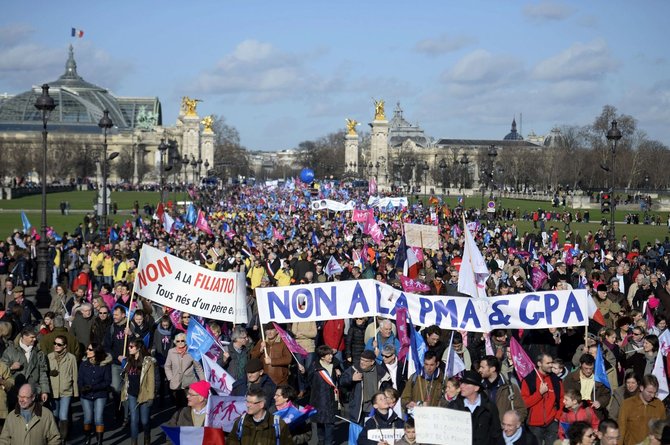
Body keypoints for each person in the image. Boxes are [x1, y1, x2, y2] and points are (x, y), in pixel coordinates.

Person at [447, 370, 502, 445]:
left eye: (466, 384)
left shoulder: (490, 407)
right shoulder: (453, 406)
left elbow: (496, 435)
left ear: (476, 388)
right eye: (462, 383)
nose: (461, 386)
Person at [521, 353, 563, 445]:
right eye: (548, 363)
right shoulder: (529, 380)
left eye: (551, 363)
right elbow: (524, 403)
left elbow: (561, 399)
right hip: (534, 425)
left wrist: (557, 417)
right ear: (539, 364)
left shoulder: (556, 380)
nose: (551, 365)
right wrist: (539, 394)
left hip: (552, 423)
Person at [0, 327, 50, 406]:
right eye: (32, 337)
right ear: (23, 336)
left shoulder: (39, 352)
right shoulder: (10, 350)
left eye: (35, 337)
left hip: (33, 392)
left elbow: (43, 373)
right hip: (15, 393)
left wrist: (44, 391)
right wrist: (11, 367)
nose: (34, 339)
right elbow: (2, 370)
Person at [340, 349, 392, 424]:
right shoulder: (354, 369)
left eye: (365, 361)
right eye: (361, 360)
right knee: (359, 432)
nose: (362, 362)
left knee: (373, 431)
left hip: (374, 407)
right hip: (358, 408)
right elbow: (341, 381)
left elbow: (387, 388)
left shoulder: (381, 372)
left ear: (372, 362)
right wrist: (351, 379)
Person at [227, 387, 292, 445]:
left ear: (261, 404)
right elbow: (231, 441)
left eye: (251, 402)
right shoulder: (241, 421)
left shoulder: (278, 424)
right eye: (247, 401)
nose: (247, 405)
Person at [120, 339, 155, 445]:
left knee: (144, 421)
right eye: (129, 347)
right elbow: (125, 379)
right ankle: (133, 442)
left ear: (138, 348)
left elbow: (151, 380)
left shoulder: (148, 362)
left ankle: (147, 437)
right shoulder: (128, 361)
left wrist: (151, 397)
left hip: (144, 394)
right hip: (131, 394)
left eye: (131, 347)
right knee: (134, 420)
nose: (129, 349)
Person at [46, 334, 78, 443]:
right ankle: (55, 438)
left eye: (59, 344)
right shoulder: (49, 357)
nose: (56, 346)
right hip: (53, 390)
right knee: (54, 415)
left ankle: (63, 438)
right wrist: (50, 373)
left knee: (63, 415)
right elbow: (44, 373)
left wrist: (76, 392)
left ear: (65, 346)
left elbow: (74, 375)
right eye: (55, 343)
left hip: (66, 391)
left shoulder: (71, 358)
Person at [78, 342, 111, 445]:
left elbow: (107, 381)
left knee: (98, 419)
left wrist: (93, 387)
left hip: (100, 394)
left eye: (90, 349)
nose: (87, 351)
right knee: (87, 418)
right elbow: (79, 379)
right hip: (86, 395)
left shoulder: (105, 365)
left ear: (96, 352)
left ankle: (99, 442)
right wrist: (82, 388)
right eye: (87, 349)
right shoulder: (84, 364)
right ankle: (87, 439)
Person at [618, 374, 666, 445]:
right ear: (641, 388)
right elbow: (621, 429)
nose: (652, 395)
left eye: (655, 393)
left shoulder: (659, 405)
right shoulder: (627, 404)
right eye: (649, 392)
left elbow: (663, 430)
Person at [479, 355, 527, 422]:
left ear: (493, 369)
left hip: (504, 430)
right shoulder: (478, 388)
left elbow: (521, 410)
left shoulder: (510, 387)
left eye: (482, 367)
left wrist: (511, 424)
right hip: (486, 430)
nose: (479, 370)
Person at [308, 345, 341, 445]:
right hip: (319, 399)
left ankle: (328, 442)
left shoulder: (336, 366)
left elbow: (341, 381)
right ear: (322, 357)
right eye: (328, 355)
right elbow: (309, 381)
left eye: (331, 354)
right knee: (320, 423)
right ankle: (321, 441)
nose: (331, 356)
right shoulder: (315, 367)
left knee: (330, 424)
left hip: (331, 399)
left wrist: (339, 373)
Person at [562, 354, 610, 420]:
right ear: (581, 365)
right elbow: (566, 395)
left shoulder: (599, 378)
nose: (588, 371)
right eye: (586, 368)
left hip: (595, 414)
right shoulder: (570, 378)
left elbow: (606, 394)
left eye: (591, 368)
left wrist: (600, 402)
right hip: (575, 414)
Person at [164, 332, 203, 409]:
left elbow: (198, 368)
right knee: (178, 407)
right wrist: (171, 378)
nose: (180, 343)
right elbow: (167, 366)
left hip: (189, 383)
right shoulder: (171, 352)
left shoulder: (191, 352)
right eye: (178, 341)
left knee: (189, 406)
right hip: (176, 384)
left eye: (183, 340)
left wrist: (203, 382)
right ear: (175, 342)